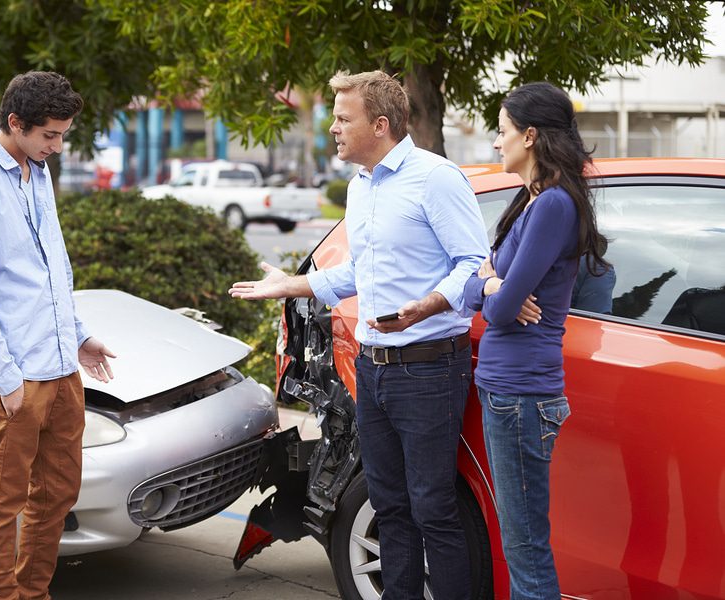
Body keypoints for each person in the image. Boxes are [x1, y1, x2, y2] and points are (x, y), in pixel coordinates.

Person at [231, 70, 489, 600]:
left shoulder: (435, 178)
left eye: (343, 118)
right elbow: (353, 275)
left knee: (433, 507)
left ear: (380, 123)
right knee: (389, 505)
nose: (333, 127)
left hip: (429, 366)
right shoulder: (360, 186)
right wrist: (290, 285)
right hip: (373, 369)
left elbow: (473, 264)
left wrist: (429, 305)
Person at [0, 71, 116, 600]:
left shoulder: (36, 171)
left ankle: (32, 593)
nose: (58, 147)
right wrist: (3, 375)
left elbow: (50, 270)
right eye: (50, 135)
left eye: (63, 135)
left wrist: (80, 337)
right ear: (15, 123)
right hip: (13, 374)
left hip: (62, 366)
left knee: (59, 493)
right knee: (1, 502)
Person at [462, 81, 610, 599]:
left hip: (521, 397)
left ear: (529, 136)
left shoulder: (552, 206)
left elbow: (500, 309)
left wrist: (492, 286)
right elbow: (475, 289)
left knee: (525, 549)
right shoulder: (531, 203)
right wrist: (489, 284)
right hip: (508, 392)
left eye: (501, 132)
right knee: (521, 541)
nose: (495, 143)